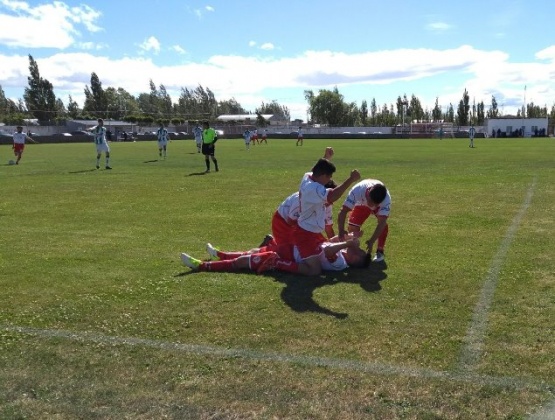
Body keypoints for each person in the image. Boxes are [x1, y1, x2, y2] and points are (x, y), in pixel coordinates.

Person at [293, 147, 361, 276]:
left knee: (313, 260)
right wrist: (351, 179)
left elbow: (316, 170)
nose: (329, 180)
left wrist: (326, 158)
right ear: (323, 175)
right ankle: (277, 262)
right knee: (314, 271)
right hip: (305, 234)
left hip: (311, 232)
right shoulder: (313, 188)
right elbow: (333, 196)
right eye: (329, 177)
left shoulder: (307, 177)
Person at [180, 233, 370, 275]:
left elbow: (327, 250)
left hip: (287, 257)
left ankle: (201, 266)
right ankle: (220, 254)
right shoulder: (344, 253)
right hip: (291, 248)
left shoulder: (339, 263)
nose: (357, 247)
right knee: (254, 251)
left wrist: (347, 243)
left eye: (359, 251)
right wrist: (346, 237)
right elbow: (331, 242)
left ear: (356, 259)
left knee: (243, 261)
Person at [337, 179, 391, 263]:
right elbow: (343, 211)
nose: (371, 205)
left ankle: (380, 251)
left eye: (374, 204)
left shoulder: (386, 200)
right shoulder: (357, 191)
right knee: (352, 225)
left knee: (383, 225)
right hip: (361, 203)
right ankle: (353, 250)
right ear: (368, 193)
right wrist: (340, 230)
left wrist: (372, 241)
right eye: (370, 201)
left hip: (375, 204)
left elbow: (382, 223)